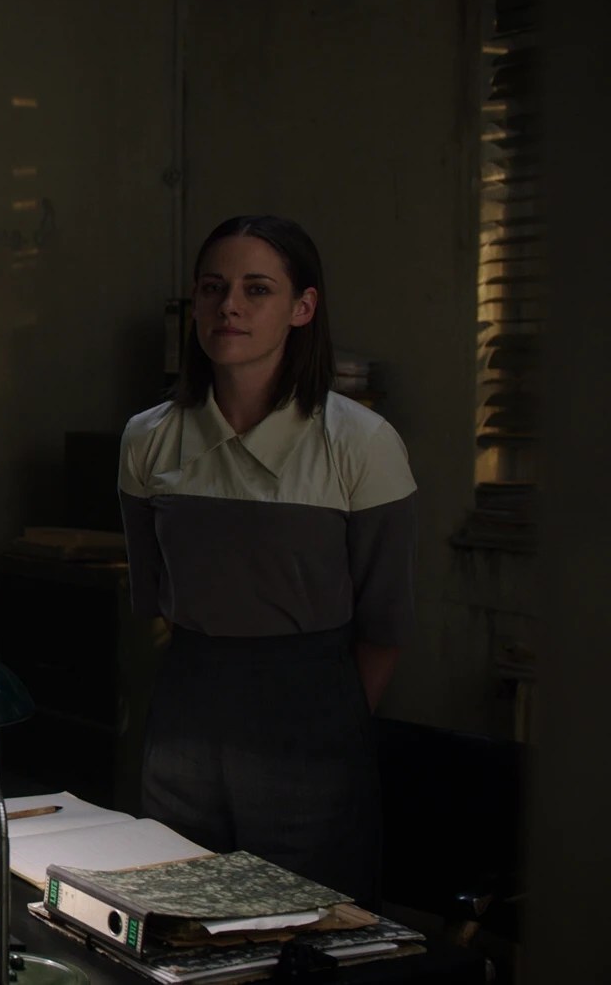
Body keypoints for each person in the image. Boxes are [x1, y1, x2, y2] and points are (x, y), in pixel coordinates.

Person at [117, 214, 414, 908]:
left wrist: (327, 727)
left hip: (309, 717)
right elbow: (151, 594)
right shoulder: (148, 438)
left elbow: (385, 621)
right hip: (187, 713)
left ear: (302, 308)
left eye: (257, 289)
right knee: (179, 907)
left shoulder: (360, 443)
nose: (230, 306)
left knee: (303, 924)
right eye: (213, 288)